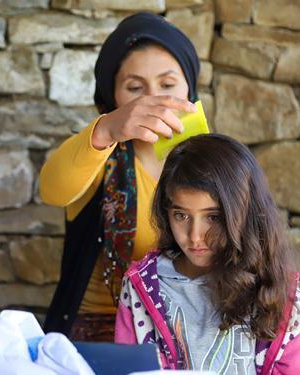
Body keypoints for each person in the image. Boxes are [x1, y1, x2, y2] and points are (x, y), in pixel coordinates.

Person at [40, 12, 200, 341]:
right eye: (134, 87)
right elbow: (52, 190)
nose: (152, 99)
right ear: (113, 99)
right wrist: (107, 129)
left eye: (167, 85)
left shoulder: (212, 164)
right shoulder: (96, 154)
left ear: (190, 90)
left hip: (191, 329)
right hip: (100, 333)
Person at [114, 134, 300, 374]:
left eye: (213, 217)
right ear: (165, 212)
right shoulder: (140, 287)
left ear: (245, 213)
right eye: (181, 215)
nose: (195, 235)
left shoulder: (282, 295)